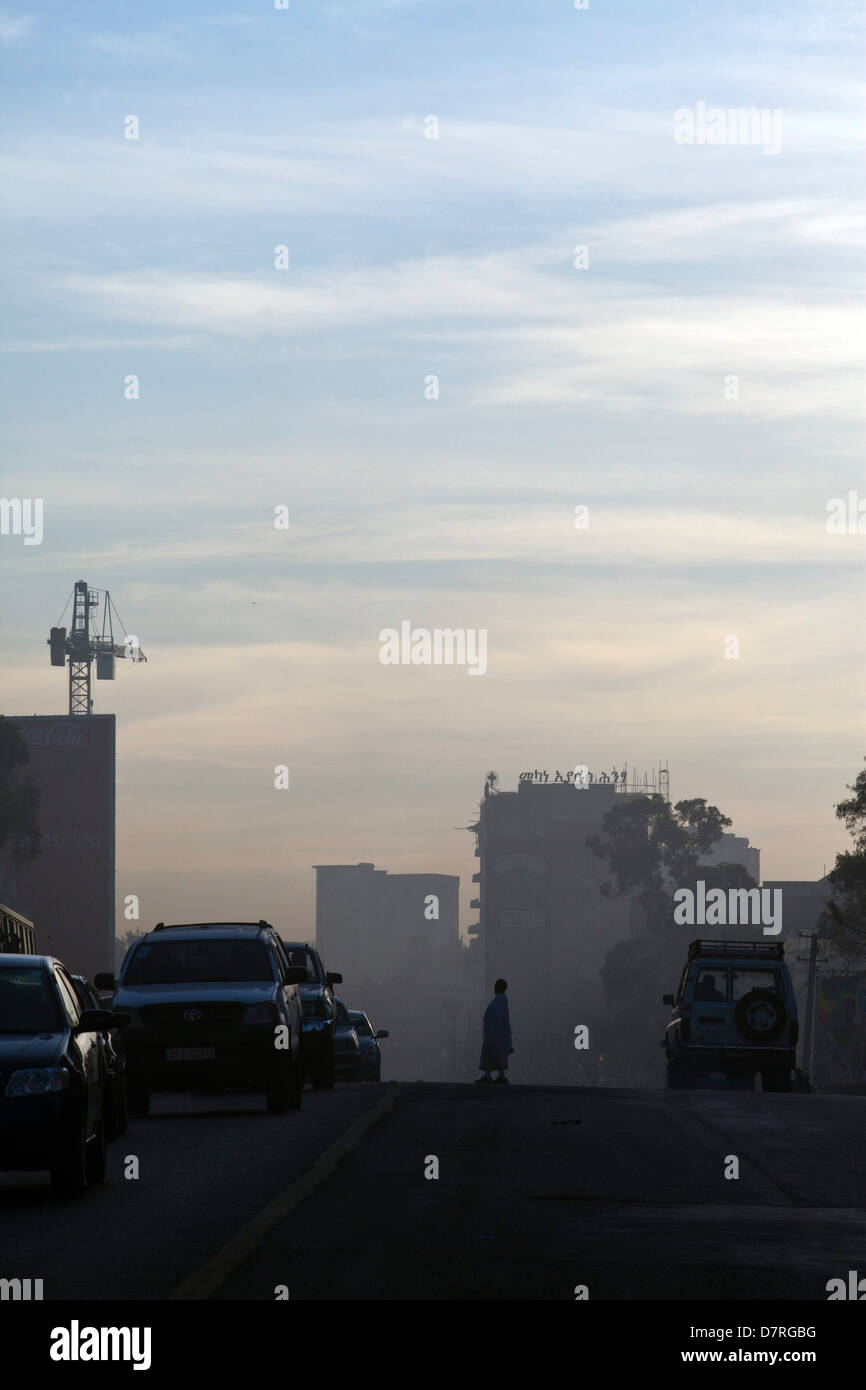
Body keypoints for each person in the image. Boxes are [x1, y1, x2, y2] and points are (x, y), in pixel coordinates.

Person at [476, 978, 513, 1084]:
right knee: (496, 1055)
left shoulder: (499, 1000)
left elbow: (498, 1018)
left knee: (491, 1055)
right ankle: (499, 1076)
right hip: (497, 1033)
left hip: (495, 1033)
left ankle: (491, 1076)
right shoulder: (501, 1000)